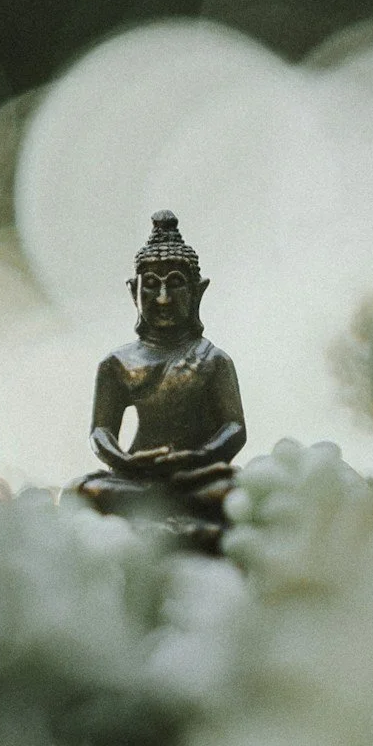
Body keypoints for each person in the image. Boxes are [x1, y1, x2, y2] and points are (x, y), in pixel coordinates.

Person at [74, 210, 246, 551]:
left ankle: (161, 525)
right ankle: (186, 530)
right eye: (151, 285)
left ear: (198, 291)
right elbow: (100, 431)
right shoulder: (117, 363)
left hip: (198, 477)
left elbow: (235, 429)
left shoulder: (213, 360)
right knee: (85, 492)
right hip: (138, 477)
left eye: (176, 283)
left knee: (237, 491)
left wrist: (199, 457)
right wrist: (123, 461)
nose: (163, 298)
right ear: (133, 291)